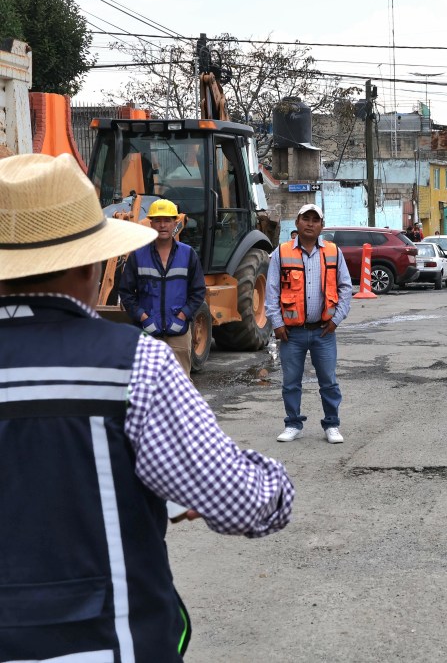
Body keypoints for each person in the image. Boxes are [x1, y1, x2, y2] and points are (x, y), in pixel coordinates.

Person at [0, 153, 294, 658]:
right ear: (91, 264)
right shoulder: (135, 366)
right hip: (110, 642)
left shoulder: (182, 267)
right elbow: (246, 501)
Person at [265, 204, 353, 444]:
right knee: (291, 382)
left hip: (324, 331)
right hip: (290, 333)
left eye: (316, 220)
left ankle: (332, 425)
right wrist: (277, 323)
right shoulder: (282, 253)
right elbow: (271, 291)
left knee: (329, 382)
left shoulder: (333, 252)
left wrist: (336, 319)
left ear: (321, 226)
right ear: (297, 223)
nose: (310, 223)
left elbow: (346, 287)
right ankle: (293, 423)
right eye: (306, 218)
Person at [118, 198, 206, 375]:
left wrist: (182, 315)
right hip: (148, 332)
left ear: (175, 223)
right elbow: (126, 293)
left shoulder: (188, 254)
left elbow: (198, 291)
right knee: (148, 386)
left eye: (167, 220)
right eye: (158, 220)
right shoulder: (138, 255)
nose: (162, 225)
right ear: (151, 223)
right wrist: (143, 317)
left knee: (180, 386)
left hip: (178, 332)